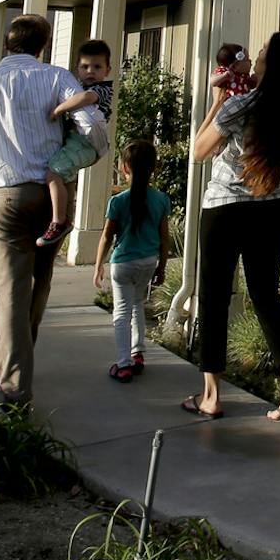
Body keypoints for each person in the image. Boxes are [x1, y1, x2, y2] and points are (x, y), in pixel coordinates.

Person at [0, 12, 87, 407]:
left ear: (8, 44)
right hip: (54, 193)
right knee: (39, 284)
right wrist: (74, 159)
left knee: (11, 293)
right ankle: (22, 359)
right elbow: (92, 125)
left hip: (6, 196)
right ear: (42, 45)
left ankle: (14, 387)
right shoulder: (57, 78)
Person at [183, 29, 280, 422]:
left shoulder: (242, 104)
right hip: (272, 210)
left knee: (215, 294)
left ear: (272, 65)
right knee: (266, 294)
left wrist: (218, 101)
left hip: (225, 208)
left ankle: (210, 395)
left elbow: (199, 151)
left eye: (261, 53)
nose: (254, 57)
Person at [92, 138, 171, 382]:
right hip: (148, 261)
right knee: (137, 304)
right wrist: (162, 266)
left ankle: (124, 363)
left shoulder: (118, 202)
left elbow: (107, 237)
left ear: (125, 168)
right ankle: (138, 353)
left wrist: (98, 266)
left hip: (123, 263)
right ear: (153, 169)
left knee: (122, 312)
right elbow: (164, 237)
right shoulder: (161, 200)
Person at [38, 38, 116, 248]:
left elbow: (85, 98)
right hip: (77, 142)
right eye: (85, 66)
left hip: (86, 143)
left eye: (97, 67)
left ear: (107, 70)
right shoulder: (78, 86)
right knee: (66, 177)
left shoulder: (103, 89)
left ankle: (59, 221)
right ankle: (65, 215)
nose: (90, 71)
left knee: (53, 174)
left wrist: (58, 109)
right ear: (77, 68)